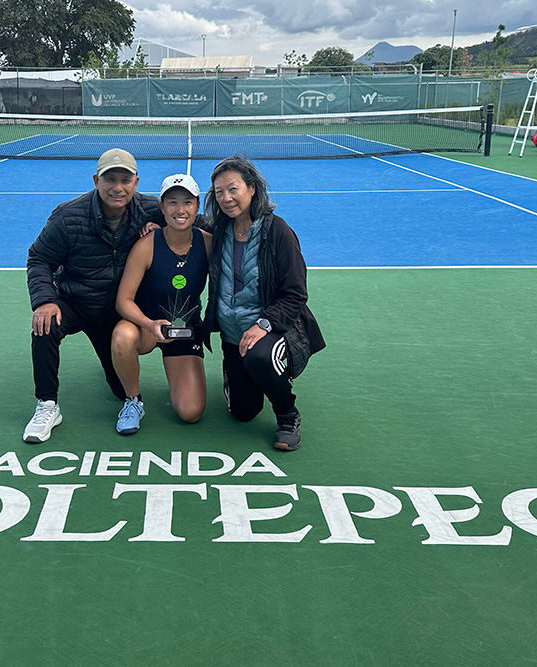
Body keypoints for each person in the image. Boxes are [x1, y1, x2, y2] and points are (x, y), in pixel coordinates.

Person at [24, 148, 170, 443]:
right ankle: (47, 405)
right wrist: (44, 300)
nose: (118, 188)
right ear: (96, 180)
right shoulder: (68, 216)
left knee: (119, 390)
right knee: (45, 325)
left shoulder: (150, 209)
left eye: (125, 180)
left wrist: (164, 231)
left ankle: (114, 366)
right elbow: (39, 258)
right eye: (110, 179)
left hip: (118, 312)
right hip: (75, 302)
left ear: (136, 183)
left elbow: (190, 222)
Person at [201, 156, 325, 451]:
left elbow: (295, 292)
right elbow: (175, 213)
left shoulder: (278, 232)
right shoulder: (218, 229)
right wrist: (150, 223)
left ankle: (287, 414)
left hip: (273, 330)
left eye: (233, 189)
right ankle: (238, 372)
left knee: (259, 358)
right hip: (232, 336)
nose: (226, 198)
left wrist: (264, 324)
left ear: (252, 188)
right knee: (243, 413)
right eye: (219, 192)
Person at [111, 174, 213, 435]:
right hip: (145, 328)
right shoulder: (146, 246)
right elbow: (123, 300)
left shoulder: (208, 243)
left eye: (188, 203)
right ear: (162, 208)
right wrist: (149, 323)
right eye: (173, 203)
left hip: (184, 331)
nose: (180, 210)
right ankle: (133, 401)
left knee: (191, 413)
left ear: (197, 206)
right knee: (122, 335)